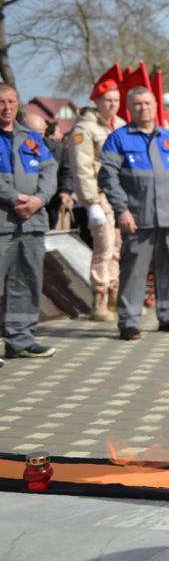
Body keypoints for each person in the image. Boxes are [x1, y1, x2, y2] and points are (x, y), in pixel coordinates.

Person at [98, 87, 169, 341]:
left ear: (155, 106)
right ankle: (128, 322)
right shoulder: (119, 139)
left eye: (148, 103)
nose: (144, 108)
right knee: (133, 271)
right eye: (138, 104)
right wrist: (122, 210)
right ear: (129, 108)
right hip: (137, 217)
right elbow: (107, 177)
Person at [0, 84, 57, 363]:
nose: (6, 107)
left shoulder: (31, 138)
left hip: (32, 223)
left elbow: (49, 170)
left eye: (11, 101)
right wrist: (14, 197)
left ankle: (20, 340)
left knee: (27, 282)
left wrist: (39, 199)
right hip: (3, 223)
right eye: (1, 102)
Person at [71, 78, 126, 320]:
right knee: (103, 248)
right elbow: (81, 167)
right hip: (99, 195)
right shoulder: (85, 128)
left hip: (120, 195)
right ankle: (99, 300)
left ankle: (115, 296)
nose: (113, 104)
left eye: (116, 100)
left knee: (117, 247)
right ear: (97, 101)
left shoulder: (121, 125)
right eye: (108, 100)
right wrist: (90, 202)